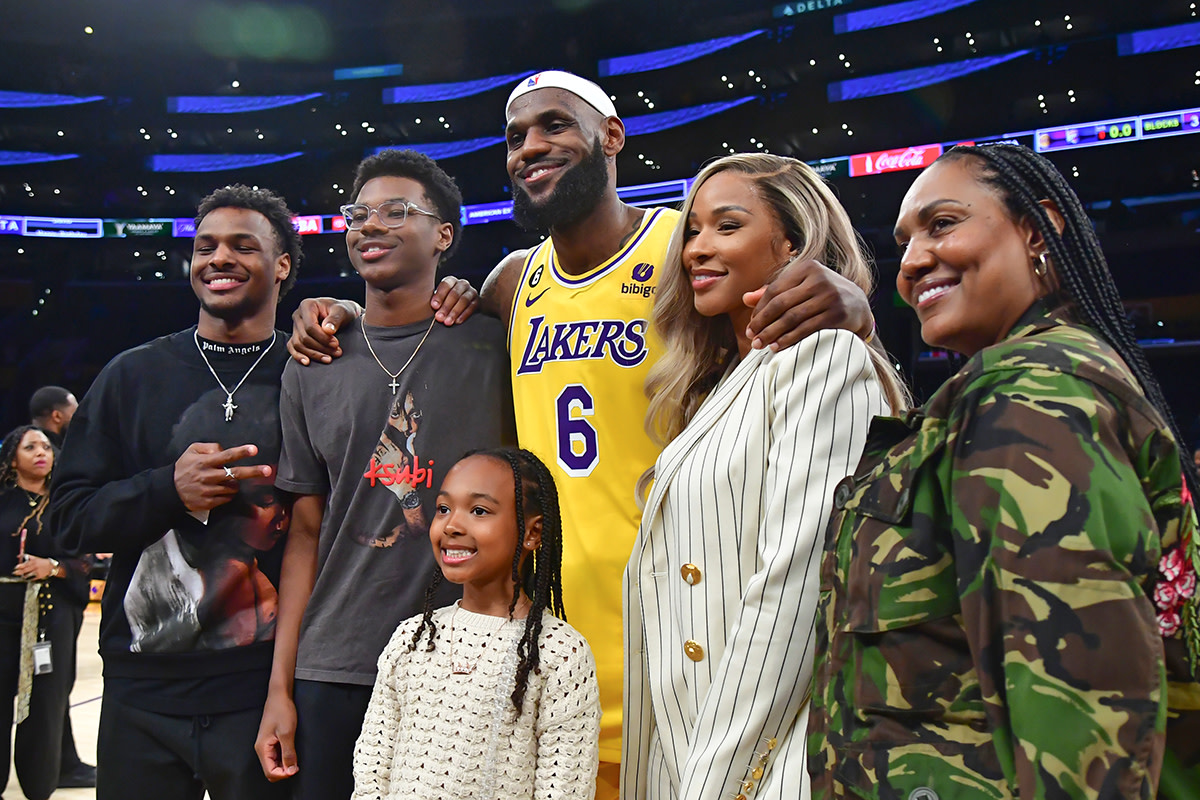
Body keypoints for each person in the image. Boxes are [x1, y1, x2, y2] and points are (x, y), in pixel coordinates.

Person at [288, 71, 878, 796]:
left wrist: (852, 302)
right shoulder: (509, 283)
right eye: (515, 137)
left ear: (611, 136)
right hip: (544, 652)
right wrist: (329, 311)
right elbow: (406, 323)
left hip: (676, 636)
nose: (530, 147)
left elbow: (786, 316)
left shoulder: (680, 246)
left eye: (555, 126)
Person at [809, 143, 1200, 799]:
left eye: (942, 223)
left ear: (1034, 228)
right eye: (904, 240)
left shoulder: (1031, 401)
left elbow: (1078, 716)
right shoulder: (1013, 389)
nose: (911, 261)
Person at [622, 154, 907, 800]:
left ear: (793, 244)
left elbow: (797, 585)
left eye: (727, 226)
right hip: (694, 750)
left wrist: (714, 782)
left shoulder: (824, 357)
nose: (696, 248)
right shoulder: (720, 385)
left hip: (772, 763)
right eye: (692, 230)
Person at [255, 149, 515, 800]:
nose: (370, 225)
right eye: (359, 213)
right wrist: (281, 688)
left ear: (444, 235)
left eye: (397, 211)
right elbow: (305, 535)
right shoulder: (311, 360)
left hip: (467, 662)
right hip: (335, 666)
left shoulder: (493, 342)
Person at [47, 185, 304, 800]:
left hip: (265, 691)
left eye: (245, 246)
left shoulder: (313, 369)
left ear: (283, 266)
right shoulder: (130, 375)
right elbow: (64, 521)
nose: (220, 257)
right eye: (206, 246)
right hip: (143, 692)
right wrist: (168, 490)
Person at [352, 448, 600, 799]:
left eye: (479, 511)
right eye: (443, 509)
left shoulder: (559, 653)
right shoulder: (411, 638)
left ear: (532, 533)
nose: (452, 525)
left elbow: (564, 788)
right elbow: (372, 769)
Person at [0, 426, 89, 800]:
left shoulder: (66, 504)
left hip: (52, 619)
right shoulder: (3, 500)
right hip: (4, 616)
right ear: (12, 458)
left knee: (46, 707)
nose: (41, 452)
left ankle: (40, 788)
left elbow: (86, 559)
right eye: (30, 446)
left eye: (47, 446)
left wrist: (52, 566)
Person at [28, 383, 96, 789]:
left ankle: (60, 760)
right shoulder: (59, 461)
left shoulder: (55, 470)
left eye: (42, 449)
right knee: (47, 686)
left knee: (55, 685)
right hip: (39, 602)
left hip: (61, 594)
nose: (40, 455)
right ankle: (53, 766)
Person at [29, 386, 78, 450]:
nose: (78, 420)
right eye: (75, 413)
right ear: (57, 416)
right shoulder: (56, 456)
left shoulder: (18, 447)